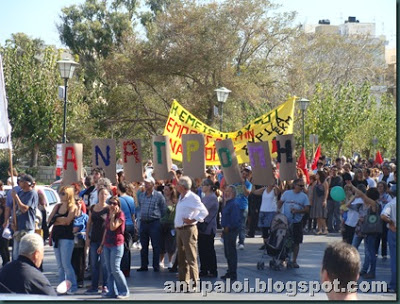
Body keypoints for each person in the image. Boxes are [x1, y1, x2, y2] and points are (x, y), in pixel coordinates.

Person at [174, 176, 209, 289]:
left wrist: (193, 219)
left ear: (183, 186)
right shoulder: (181, 196)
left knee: (191, 257)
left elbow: (204, 211)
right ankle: (183, 282)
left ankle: (194, 283)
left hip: (188, 229)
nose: (176, 186)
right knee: (181, 257)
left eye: (178, 184)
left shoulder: (193, 197)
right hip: (180, 229)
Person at [48, 186, 78, 294]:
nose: (61, 195)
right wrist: (59, 220)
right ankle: (61, 287)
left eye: (63, 193)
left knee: (66, 264)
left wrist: (57, 220)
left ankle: (72, 286)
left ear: (69, 194)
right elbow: (50, 219)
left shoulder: (73, 207)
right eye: (60, 193)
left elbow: (68, 221)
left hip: (66, 237)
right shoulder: (57, 206)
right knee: (60, 265)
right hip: (57, 236)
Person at [98, 196, 129, 299]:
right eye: (110, 203)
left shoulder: (120, 215)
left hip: (117, 244)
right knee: (109, 269)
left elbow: (112, 227)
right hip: (107, 244)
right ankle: (112, 291)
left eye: (114, 203)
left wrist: (113, 216)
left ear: (118, 205)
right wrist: (101, 245)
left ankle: (124, 291)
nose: (111, 205)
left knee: (115, 269)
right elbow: (106, 230)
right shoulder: (108, 214)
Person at [347, 182, 380, 279]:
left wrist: (352, 186)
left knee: (369, 252)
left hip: (369, 230)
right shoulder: (361, 205)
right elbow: (348, 205)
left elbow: (362, 195)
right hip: (360, 229)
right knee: (353, 248)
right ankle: (355, 268)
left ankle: (369, 270)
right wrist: (354, 197)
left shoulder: (374, 205)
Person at [277, 178, 310, 268]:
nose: (302, 187)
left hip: (297, 221)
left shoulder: (304, 196)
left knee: (296, 241)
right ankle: (282, 259)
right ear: (294, 185)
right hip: (285, 220)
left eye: (303, 186)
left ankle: (294, 260)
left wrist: (298, 211)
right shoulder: (287, 193)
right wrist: (278, 211)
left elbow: (307, 209)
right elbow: (280, 202)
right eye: (300, 185)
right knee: (283, 240)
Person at [137, 177, 166, 272]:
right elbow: (140, 206)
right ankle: (144, 265)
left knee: (155, 245)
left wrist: (159, 219)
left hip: (154, 222)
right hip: (144, 222)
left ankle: (156, 265)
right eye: (145, 183)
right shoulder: (141, 195)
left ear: (153, 184)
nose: (146, 185)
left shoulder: (159, 195)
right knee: (143, 245)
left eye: (148, 183)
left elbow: (163, 208)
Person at [84, 187, 110, 295]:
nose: (103, 196)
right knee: (94, 264)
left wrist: (103, 243)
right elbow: (89, 222)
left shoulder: (108, 208)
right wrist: (87, 237)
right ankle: (94, 286)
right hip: (94, 238)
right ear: (98, 195)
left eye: (105, 194)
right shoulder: (93, 208)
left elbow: (108, 226)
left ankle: (105, 285)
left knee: (104, 264)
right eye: (101, 194)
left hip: (104, 239)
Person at [10, 174, 39, 261]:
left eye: (22, 181)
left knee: (25, 253)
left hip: (27, 227)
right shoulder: (20, 193)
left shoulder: (32, 193)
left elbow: (24, 209)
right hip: (18, 227)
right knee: (16, 254)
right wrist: (13, 222)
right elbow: (15, 208)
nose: (20, 183)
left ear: (27, 183)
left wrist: (16, 198)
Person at [198, 178, 219, 278]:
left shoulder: (211, 197)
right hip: (203, 226)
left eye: (204, 185)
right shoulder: (205, 197)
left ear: (209, 187)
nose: (202, 187)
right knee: (202, 249)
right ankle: (204, 269)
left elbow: (203, 210)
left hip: (208, 226)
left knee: (209, 249)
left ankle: (212, 269)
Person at [220, 185, 241, 281]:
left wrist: (228, 227)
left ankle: (233, 273)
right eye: (225, 191)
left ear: (233, 193)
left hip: (231, 230)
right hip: (226, 230)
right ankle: (229, 271)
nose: (226, 193)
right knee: (227, 252)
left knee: (231, 252)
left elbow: (235, 219)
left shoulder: (234, 204)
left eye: (228, 192)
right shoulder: (227, 203)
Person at [117, 181, 136, 277]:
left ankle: (122, 268)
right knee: (128, 248)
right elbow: (133, 214)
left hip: (122, 225)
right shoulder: (131, 199)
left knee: (122, 248)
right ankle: (127, 269)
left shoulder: (118, 200)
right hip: (130, 225)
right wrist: (135, 225)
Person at [253, 183, 279, 250]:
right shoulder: (264, 190)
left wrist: (276, 186)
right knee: (264, 229)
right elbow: (255, 192)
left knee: (271, 228)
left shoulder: (274, 190)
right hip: (263, 210)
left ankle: (271, 244)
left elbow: (278, 193)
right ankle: (265, 244)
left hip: (271, 211)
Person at [381, 197, 396, 293]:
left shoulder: (392, 203)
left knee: (394, 260)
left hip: (394, 230)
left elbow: (383, 215)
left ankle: (394, 285)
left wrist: (390, 222)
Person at [160, 183, 177, 269]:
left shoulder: (175, 201)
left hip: (171, 224)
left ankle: (170, 261)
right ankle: (161, 261)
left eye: (166, 189)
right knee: (161, 243)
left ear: (170, 191)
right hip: (162, 223)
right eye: (164, 189)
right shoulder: (161, 199)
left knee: (171, 244)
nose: (164, 191)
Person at [234, 167, 252, 250]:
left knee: (242, 225)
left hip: (243, 206)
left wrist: (243, 184)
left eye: (245, 174)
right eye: (243, 173)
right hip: (235, 206)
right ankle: (233, 240)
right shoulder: (235, 183)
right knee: (234, 224)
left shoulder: (248, 184)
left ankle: (241, 242)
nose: (244, 175)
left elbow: (247, 193)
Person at [72, 201, 88, 288]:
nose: (77, 205)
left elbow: (89, 228)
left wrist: (83, 233)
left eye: (79, 203)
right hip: (71, 240)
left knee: (80, 261)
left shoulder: (85, 217)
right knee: (71, 261)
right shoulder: (70, 216)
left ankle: (80, 280)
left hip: (81, 241)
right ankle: (72, 278)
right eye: (76, 203)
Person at [310, 170, 329, 235]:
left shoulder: (324, 183)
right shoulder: (315, 183)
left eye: (317, 174)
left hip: (321, 199)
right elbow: (312, 191)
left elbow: (326, 192)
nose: (316, 175)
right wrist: (311, 200)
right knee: (317, 215)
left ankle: (325, 229)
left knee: (321, 215)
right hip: (315, 199)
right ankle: (320, 229)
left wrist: (325, 200)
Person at [375, 181, 391, 260]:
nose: (380, 188)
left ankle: (384, 253)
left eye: (381, 187)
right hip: (377, 217)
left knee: (384, 235)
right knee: (376, 235)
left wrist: (385, 201)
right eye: (378, 187)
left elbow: (390, 204)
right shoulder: (375, 196)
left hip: (384, 216)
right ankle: (375, 251)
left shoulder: (387, 196)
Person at [326, 166, 343, 233]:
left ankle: (338, 227)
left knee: (337, 213)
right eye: (332, 170)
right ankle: (330, 227)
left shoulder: (339, 178)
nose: (333, 172)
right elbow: (327, 186)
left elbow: (336, 187)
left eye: (335, 170)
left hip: (336, 197)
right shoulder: (329, 178)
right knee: (330, 213)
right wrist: (329, 179)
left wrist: (330, 188)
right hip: (329, 198)